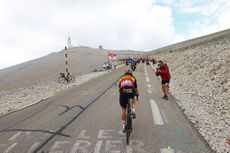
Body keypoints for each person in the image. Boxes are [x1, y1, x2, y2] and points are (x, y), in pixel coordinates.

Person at [118, 69, 138, 133]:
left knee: (123, 109)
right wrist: (137, 94)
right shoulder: (133, 77)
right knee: (133, 96)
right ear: (131, 73)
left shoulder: (121, 78)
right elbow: (136, 88)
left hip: (123, 92)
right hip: (131, 91)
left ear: (124, 73)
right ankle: (133, 109)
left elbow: (119, 88)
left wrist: (122, 95)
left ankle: (124, 125)